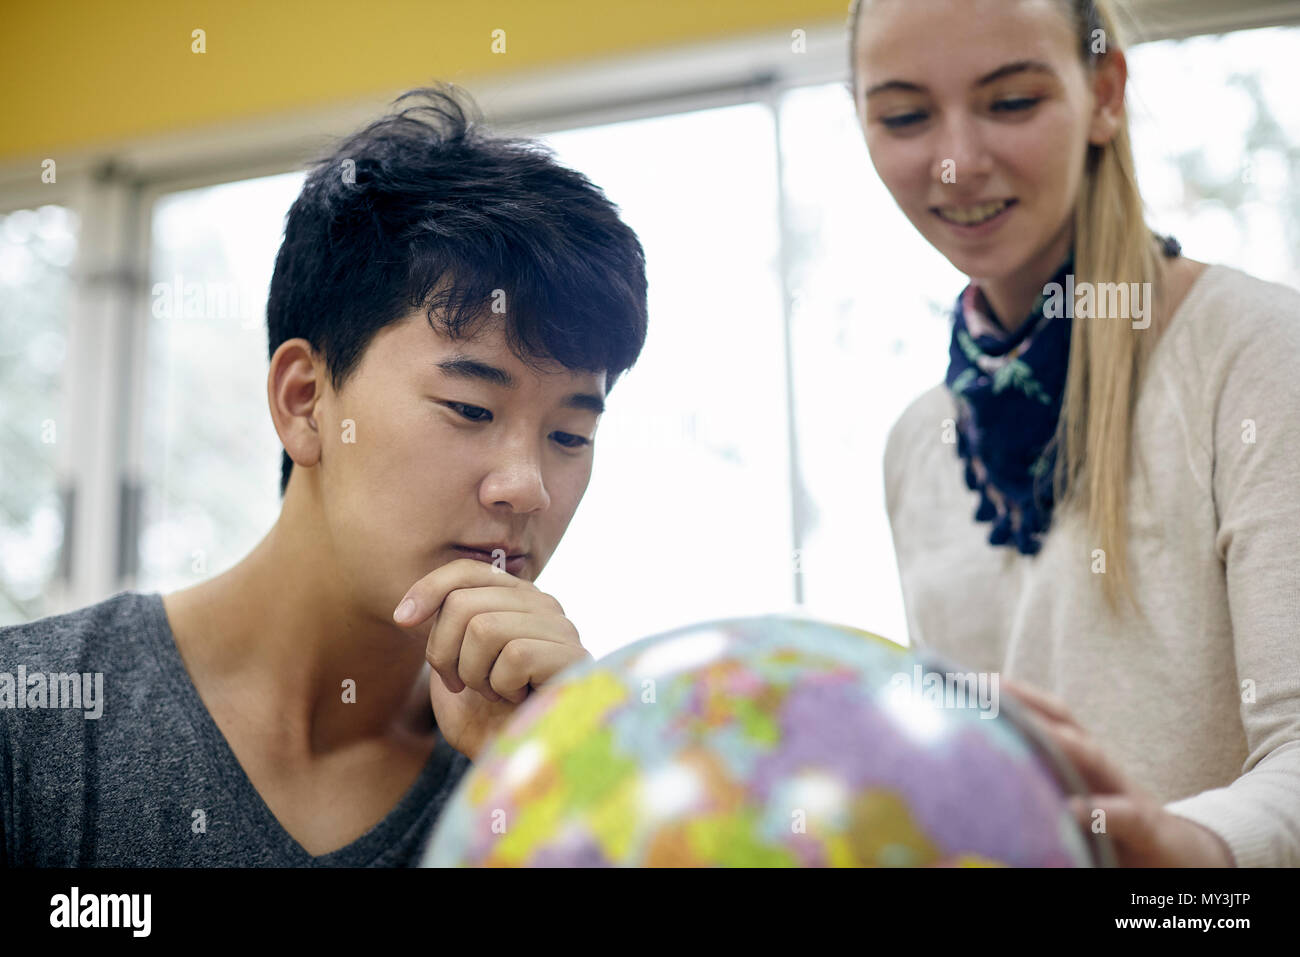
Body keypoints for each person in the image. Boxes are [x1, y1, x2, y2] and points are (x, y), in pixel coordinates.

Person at [0, 85, 648, 866]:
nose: (527, 486)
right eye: (471, 408)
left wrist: (552, 788)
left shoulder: (551, 762)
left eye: (570, 433)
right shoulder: (31, 718)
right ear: (305, 401)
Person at [850, 0, 1300, 866]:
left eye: (1011, 102)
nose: (956, 162)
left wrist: (1188, 849)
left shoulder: (1256, 355)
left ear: (1104, 93)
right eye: (904, 116)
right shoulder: (919, 444)